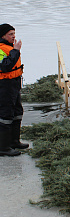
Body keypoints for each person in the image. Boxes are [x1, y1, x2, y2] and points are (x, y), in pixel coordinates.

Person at [0, 23, 28, 156]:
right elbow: (5, 66)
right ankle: (3, 147)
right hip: (4, 86)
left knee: (17, 112)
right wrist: (15, 51)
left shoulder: (9, 47)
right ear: (3, 36)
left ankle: (14, 141)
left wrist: (14, 50)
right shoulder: (1, 49)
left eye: (14, 33)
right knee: (6, 115)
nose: (13, 36)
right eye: (10, 34)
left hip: (14, 84)